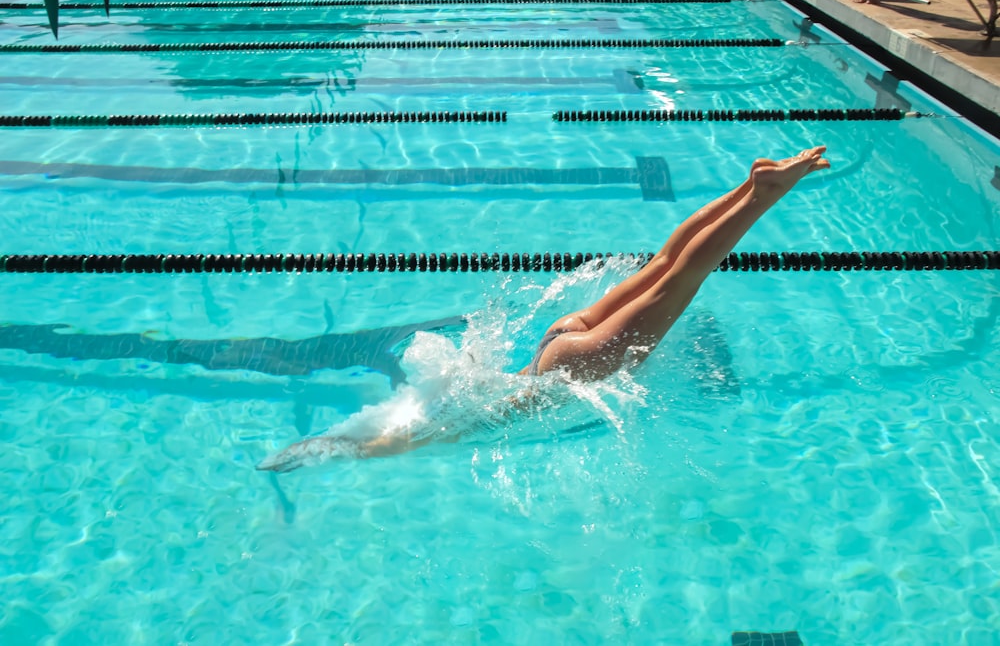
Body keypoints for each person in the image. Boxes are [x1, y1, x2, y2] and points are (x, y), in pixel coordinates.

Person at [257, 146, 831, 472]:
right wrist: (319, 445)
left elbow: (376, 444)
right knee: (663, 266)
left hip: (573, 362)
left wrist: (323, 453)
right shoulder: (446, 398)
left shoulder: (438, 432)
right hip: (559, 342)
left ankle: (761, 194)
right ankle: (747, 188)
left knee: (679, 278)